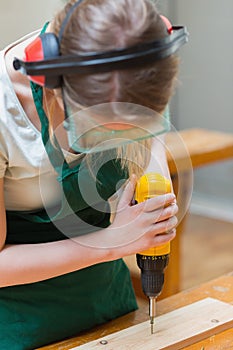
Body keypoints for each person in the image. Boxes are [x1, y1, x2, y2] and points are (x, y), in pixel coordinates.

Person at [0, 0, 187, 348]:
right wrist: (110, 242)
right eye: (97, 130)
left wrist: (152, 173)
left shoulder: (136, 70)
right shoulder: (3, 110)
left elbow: (152, 132)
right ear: (53, 84)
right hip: (20, 325)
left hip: (109, 305)